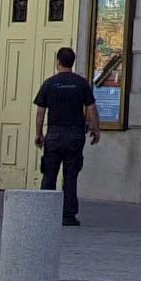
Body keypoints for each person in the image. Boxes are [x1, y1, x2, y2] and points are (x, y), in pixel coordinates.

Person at [32, 46, 100, 226]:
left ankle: (45, 213)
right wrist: (96, 129)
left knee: (49, 174)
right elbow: (91, 108)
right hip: (75, 135)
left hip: (54, 134)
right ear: (72, 62)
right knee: (70, 176)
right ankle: (68, 215)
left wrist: (39, 133)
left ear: (58, 62)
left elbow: (40, 111)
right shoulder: (81, 83)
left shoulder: (49, 83)